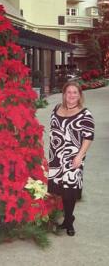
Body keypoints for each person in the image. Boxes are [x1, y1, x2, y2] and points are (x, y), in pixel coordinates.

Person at [48, 81, 94, 236]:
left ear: (80, 95)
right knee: (61, 189)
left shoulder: (85, 114)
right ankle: (68, 217)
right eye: (69, 92)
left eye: (75, 92)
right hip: (56, 157)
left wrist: (80, 156)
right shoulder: (56, 109)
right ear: (64, 94)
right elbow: (53, 131)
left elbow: (88, 137)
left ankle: (69, 221)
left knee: (70, 190)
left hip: (73, 158)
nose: (72, 95)